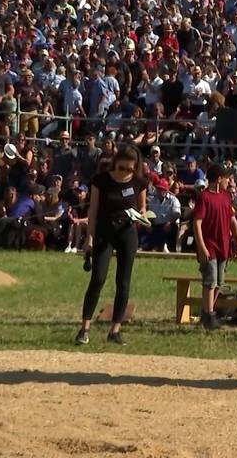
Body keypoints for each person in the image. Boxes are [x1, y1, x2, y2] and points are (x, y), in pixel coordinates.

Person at [76, 145, 150, 346]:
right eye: (122, 168)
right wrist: (89, 239)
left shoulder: (139, 182)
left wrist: (141, 215)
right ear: (115, 162)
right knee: (98, 278)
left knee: (123, 282)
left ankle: (115, 330)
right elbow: (93, 211)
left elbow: (142, 207)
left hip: (127, 232)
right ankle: (85, 328)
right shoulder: (101, 181)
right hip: (104, 232)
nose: (125, 172)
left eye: (130, 169)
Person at [192, 163, 237, 331]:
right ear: (219, 179)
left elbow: (233, 221)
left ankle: (208, 312)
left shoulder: (226, 197)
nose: (229, 181)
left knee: (219, 283)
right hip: (210, 245)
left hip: (224, 245)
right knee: (210, 281)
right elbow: (197, 223)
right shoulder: (204, 197)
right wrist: (201, 247)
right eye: (227, 178)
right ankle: (209, 316)